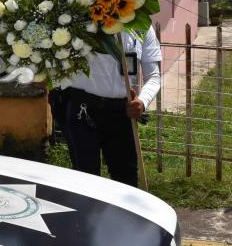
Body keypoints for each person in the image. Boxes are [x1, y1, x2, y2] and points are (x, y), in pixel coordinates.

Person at [50, 27, 162, 187]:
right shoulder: (81, 18)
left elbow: (154, 76)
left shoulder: (142, 26)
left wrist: (142, 102)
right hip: (82, 110)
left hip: (121, 113)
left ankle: (122, 212)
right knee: (86, 179)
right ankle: (87, 211)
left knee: (126, 181)